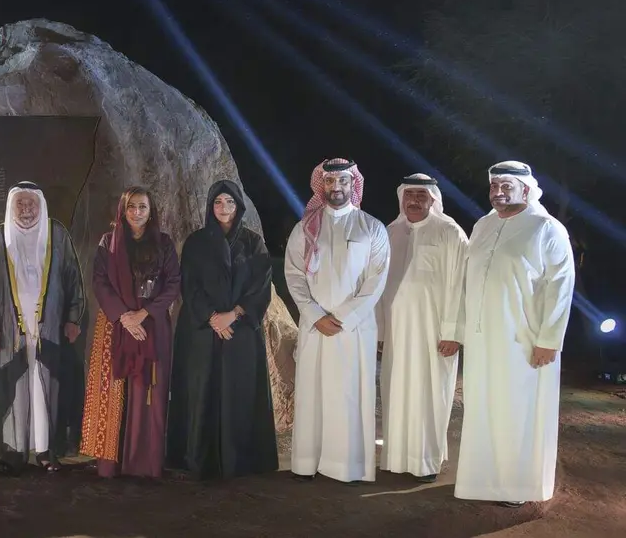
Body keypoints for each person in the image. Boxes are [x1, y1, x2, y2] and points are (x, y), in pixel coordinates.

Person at [454, 161, 575, 507]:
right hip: (482, 340)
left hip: (523, 340)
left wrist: (549, 340)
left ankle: (517, 488)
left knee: (518, 413)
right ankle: (481, 482)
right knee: (482, 407)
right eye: (494, 185)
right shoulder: (482, 225)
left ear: (526, 188)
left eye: (507, 185)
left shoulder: (546, 228)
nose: (498, 192)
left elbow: (561, 287)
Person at [284, 158, 390, 484]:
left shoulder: (371, 227)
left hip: (353, 328)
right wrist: (316, 316)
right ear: (322, 186)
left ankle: (349, 466)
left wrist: (341, 318)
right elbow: (294, 275)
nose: (336, 188)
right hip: (315, 327)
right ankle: (307, 462)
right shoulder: (305, 228)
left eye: (342, 181)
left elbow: (376, 280)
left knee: (349, 394)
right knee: (313, 394)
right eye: (330, 182)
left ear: (352, 184)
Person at [0, 182, 85, 475]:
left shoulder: (56, 234)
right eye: (20, 204)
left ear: (41, 205)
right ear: (11, 206)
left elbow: (73, 278)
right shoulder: (0, 238)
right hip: (11, 333)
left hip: (51, 331)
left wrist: (72, 318)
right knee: (16, 389)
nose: (26, 209)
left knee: (48, 390)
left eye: (31, 203)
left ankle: (48, 452)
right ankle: (14, 453)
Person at [166, 180, 278, 480]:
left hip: (240, 332)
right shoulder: (196, 242)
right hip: (202, 331)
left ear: (238, 206)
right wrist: (213, 317)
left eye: (229, 202)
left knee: (238, 394)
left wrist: (234, 315)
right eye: (218, 202)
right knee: (202, 391)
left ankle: (240, 460)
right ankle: (197, 458)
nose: (224, 208)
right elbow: (190, 286)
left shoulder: (253, 243)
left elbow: (260, 286)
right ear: (210, 206)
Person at [80, 187, 181, 478]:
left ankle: (143, 465)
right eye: (131, 207)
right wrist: (124, 317)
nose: (137, 213)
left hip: (153, 325)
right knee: (114, 392)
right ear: (122, 211)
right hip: (116, 326)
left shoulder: (163, 243)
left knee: (148, 392)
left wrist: (144, 314)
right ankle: (111, 463)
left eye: (143, 207)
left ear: (151, 212)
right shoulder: (108, 242)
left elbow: (173, 283)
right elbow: (100, 282)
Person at [376, 174, 468, 483]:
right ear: (401, 197)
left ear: (433, 198)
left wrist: (453, 331)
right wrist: (380, 331)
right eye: (409, 194)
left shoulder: (449, 232)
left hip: (434, 333)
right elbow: (379, 287)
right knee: (395, 390)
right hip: (397, 333)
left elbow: (460, 285)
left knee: (431, 393)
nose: (414, 200)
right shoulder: (389, 232)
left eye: (421, 195)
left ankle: (427, 460)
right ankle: (396, 457)